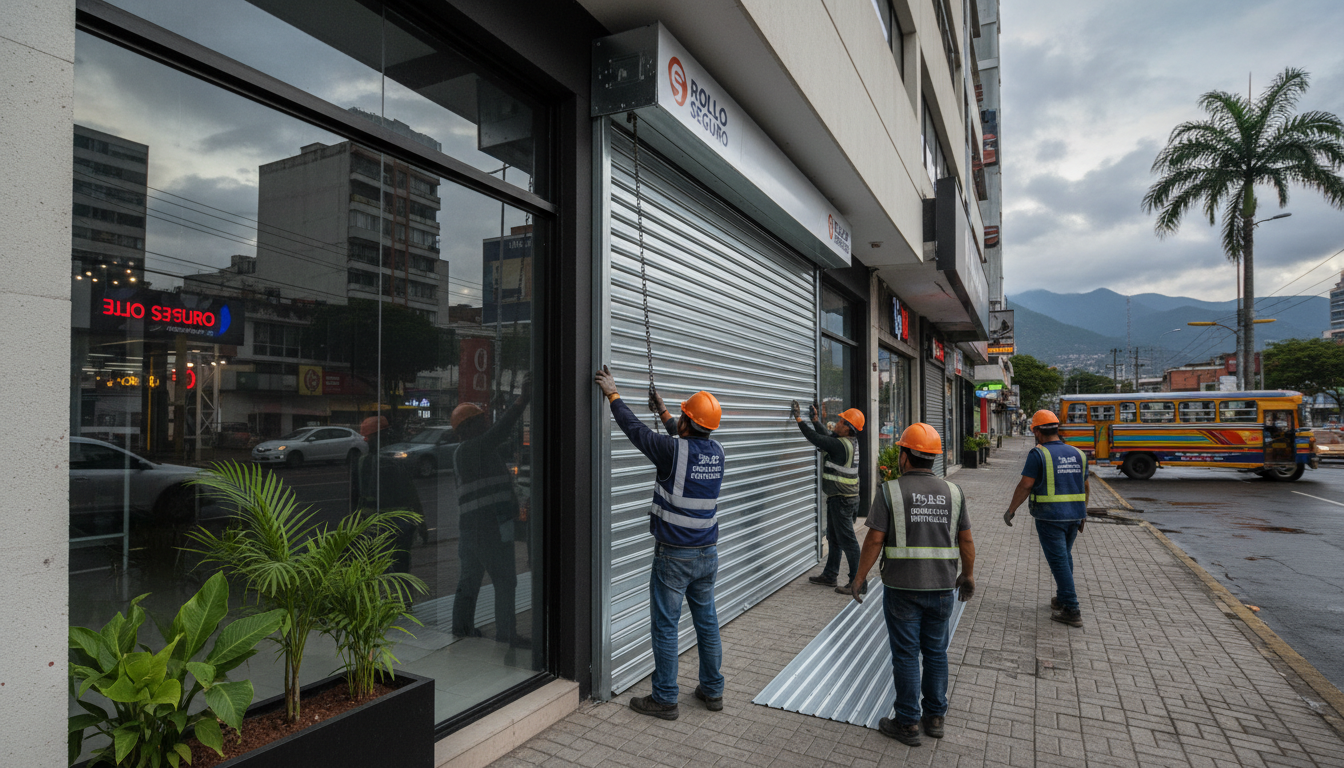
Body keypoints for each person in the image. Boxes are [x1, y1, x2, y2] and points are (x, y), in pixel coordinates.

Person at [595, 365, 725, 721]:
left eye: (682, 417)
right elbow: (683, 438)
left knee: (666, 625)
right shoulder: (716, 453)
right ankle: (713, 691)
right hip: (707, 554)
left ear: (687, 422)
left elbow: (635, 430)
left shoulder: (671, 452)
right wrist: (666, 411)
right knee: (707, 622)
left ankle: (665, 697)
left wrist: (613, 394)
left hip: (675, 557)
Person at [849, 422, 975, 747]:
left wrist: (859, 578)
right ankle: (935, 717)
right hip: (943, 588)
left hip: (902, 590)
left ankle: (907, 723)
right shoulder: (954, 492)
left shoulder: (890, 491)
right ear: (933, 458)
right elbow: (966, 540)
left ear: (905, 455)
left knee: (906, 655)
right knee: (936, 653)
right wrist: (969, 575)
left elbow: (874, 540)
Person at [451, 381, 531, 646]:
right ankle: (507, 634)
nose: (485, 423)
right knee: (505, 581)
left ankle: (462, 629)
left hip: (474, 528)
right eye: (480, 420)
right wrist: (520, 402)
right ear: (468, 427)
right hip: (489, 528)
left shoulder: (474, 451)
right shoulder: (473, 449)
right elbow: (500, 431)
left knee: (469, 581)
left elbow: (501, 437)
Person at [1003, 408, 1089, 627]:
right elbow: (1085, 486)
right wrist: (1083, 513)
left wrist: (1011, 510)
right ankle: (1062, 598)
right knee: (1064, 557)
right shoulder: (1078, 453)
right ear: (1056, 429)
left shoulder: (1038, 453)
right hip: (1074, 516)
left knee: (1059, 561)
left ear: (1037, 432)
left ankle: (1072, 608)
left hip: (1050, 517)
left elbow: (1025, 485)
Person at [790, 400, 866, 594]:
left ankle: (857, 583)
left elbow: (818, 439)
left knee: (848, 541)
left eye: (841, 421)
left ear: (848, 428)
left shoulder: (841, 445)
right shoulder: (848, 442)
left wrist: (799, 419)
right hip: (841, 498)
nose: (837, 423)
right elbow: (827, 436)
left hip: (843, 500)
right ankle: (830, 575)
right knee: (834, 537)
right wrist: (815, 420)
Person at [351, 416, 423, 573]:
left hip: (375, 526)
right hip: (398, 525)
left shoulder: (364, 462)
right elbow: (411, 493)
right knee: (400, 569)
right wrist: (421, 523)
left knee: (376, 570)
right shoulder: (395, 460)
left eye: (367, 437)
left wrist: (354, 527)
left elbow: (355, 498)